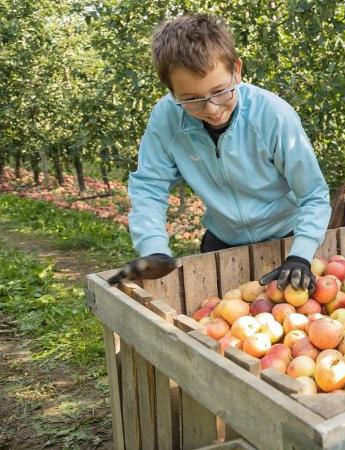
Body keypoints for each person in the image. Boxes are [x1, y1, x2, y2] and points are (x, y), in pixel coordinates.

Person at [109, 13, 331, 292]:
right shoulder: (166, 119)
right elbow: (149, 186)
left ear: (236, 70)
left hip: (287, 241)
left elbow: (313, 194)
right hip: (221, 241)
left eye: (220, 91)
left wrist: (300, 255)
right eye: (191, 99)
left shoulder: (272, 115)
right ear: (171, 92)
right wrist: (153, 248)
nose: (212, 109)